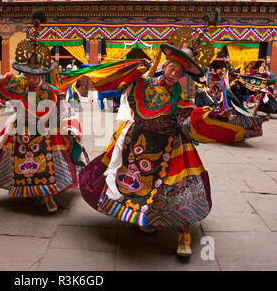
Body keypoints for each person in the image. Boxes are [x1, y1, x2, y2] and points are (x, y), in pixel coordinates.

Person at [62, 43, 265, 257]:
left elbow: (188, 122)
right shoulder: (142, 84)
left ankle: (183, 235)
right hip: (137, 143)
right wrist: (136, 69)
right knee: (132, 186)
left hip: (170, 148)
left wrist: (213, 116)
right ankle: (142, 220)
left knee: (176, 192)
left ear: (182, 76)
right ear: (165, 66)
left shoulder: (182, 99)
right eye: (172, 68)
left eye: (179, 71)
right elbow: (119, 85)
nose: (174, 73)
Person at [0, 12, 88, 212]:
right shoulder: (17, 86)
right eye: (28, 75)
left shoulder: (52, 93)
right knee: (22, 163)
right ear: (23, 73)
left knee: (50, 164)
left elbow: (64, 112)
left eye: (35, 76)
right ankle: (34, 192)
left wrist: (68, 127)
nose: (31, 79)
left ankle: (48, 195)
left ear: (42, 74)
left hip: (47, 133)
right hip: (21, 132)